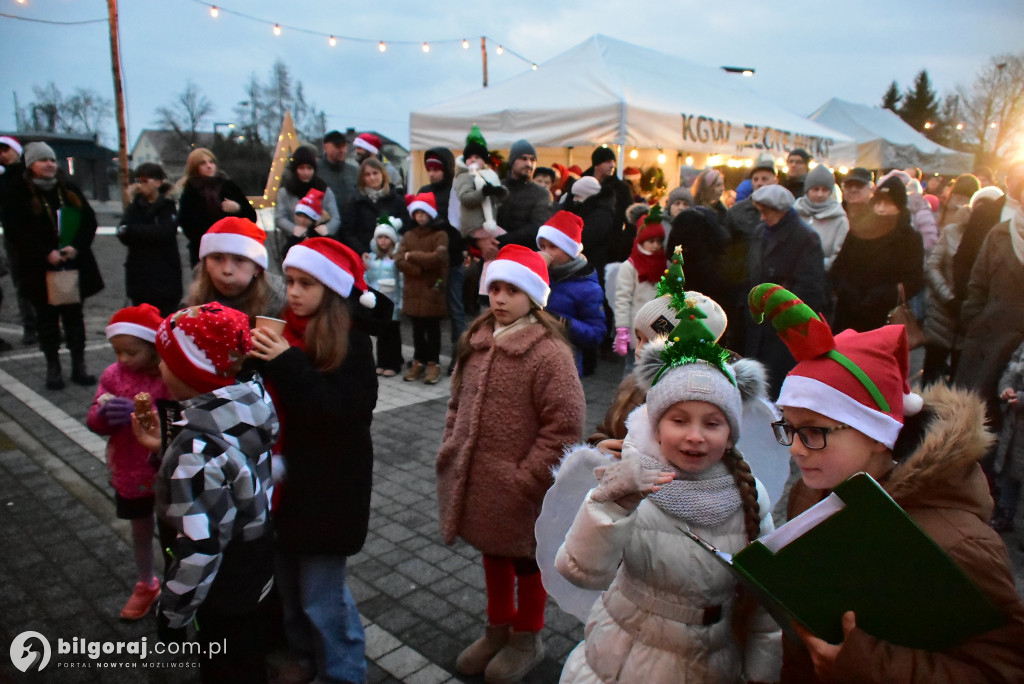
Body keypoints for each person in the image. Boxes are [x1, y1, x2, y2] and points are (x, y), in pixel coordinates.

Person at [748, 285, 1024, 683]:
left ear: (879, 435)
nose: (795, 450)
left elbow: (1003, 670)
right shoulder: (816, 491)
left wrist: (866, 666)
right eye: (787, 429)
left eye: (812, 432)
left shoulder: (960, 543)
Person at [556, 269, 780, 684]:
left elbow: (766, 602)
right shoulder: (636, 479)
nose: (694, 436)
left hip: (709, 662)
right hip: (620, 656)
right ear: (658, 424)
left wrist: (761, 671)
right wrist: (611, 495)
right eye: (678, 420)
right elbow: (580, 568)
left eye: (712, 423)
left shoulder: (749, 495)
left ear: (731, 430)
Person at [437, 245, 585, 682]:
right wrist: (451, 442)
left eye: (513, 290)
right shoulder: (478, 339)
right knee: (493, 555)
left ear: (535, 297)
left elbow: (565, 425)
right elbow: (456, 402)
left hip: (522, 488)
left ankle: (527, 636)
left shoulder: (548, 353)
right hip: (478, 480)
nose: (500, 298)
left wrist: (528, 478)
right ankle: (497, 629)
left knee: (526, 561)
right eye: (495, 288)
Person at [249, 238, 380, 684]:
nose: (295, 291)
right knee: (287, 587)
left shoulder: (351, 341)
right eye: (290, 281)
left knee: (323, 598)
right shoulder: (281, 329)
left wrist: (289, 365)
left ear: (331, 288)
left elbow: (344, 413)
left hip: (328, 493)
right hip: (284, 488)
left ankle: (343, 673)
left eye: (306, 283)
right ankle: (304, 659)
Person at [136, 303, 278, 683]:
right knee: (250, 659)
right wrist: (166, 445)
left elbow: (199, 548)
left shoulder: (195, 455)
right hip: (256, 567)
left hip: (222, 593)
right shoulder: (251, 401)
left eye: (166, 359)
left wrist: (172, 614)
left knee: (226, 668)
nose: (159, 368)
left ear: (191, 372)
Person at [86, 304, 169, 620]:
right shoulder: (112, 376)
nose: (122, 359)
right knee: (140, 529)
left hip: (165, 469)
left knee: (175, 530)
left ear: (153, 347)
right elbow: (94, 416)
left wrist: (154, 412)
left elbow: (180, 410)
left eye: (131, 352)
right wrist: (103, 415)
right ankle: (146, 582)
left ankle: (179, 584)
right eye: (117, 351)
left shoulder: (167, 374)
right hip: (130, 470)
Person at [3, 141, 104, 389]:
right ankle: (53, 368)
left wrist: (76, 247)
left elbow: (88, 220)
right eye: (42, 160)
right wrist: (43, 253)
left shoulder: (67, 188)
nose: (48, 164)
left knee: (74, 319)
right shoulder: (19, 192)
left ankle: (79, 366)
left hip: (71, 265)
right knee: (46, 321)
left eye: (51, 160)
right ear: (30, 164)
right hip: (39, 270)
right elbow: (16, 231)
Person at [956, 179, 1024, 442]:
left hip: (1020, 352)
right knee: (979, 424)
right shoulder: (1000, 234)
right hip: (990, 341)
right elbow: (978, 284)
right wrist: (974, 321)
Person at [744, 184, 826, 398]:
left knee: (777, 387)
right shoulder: (760, 232)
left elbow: (811, 288)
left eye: (766, 212)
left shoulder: (805, 238)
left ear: (781, 211)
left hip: (783, 330)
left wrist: (779, 308)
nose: (762, 218)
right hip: (758, 325)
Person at [922, 187, 1003, 385]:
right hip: (942, 316)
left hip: (971, 323)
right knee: (931, 376)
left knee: (960, 382)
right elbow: (932, 266)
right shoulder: (951, 232)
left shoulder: (997, 241)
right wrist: (948, 298)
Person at [830, 175, 924, 335]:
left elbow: (914, 279)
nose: (881, 208)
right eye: (878, 202)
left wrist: (884, 295)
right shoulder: (858, 230)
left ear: (899, 207)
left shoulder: (909, 238)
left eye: (888, 203)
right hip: (848, 314)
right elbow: (839, 267)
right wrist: (846, 291)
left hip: (884, 317)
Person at [537, 210, 607, 377]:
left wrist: (566, 324)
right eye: (543, 247)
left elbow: (596, 332)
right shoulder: (542, 274)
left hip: (564, 362)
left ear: (570, 251)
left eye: (553, 247)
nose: (546, 252)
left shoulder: (587, 288)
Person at [722, 153, 778, 353]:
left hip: (773, 285)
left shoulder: (785, 211)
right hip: (742, 287)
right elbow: (727, 249)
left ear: (775, 180)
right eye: (756, 179)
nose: (760, 183)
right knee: (740, 341)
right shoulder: (737, 212)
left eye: (765, 178)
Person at [185, 217, 287, 323]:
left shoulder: (283, 308)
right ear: (205, 263)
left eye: (239, 260)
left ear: (257, 267)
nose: (227, 270)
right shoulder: (191, 307)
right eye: (217, 258)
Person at [417, 147, 464, 375]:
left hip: (452, 261)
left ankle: (460, 356)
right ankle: (426, 355)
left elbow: (462, 227)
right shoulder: (424, 191)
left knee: (455, 309)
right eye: (429, 169)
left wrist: (444, 226)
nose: (433, 174)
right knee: (426, 309)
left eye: (437, 169)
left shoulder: (456, 192)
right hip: (429, 263)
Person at [397, 192, 448, 385]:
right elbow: (399, 259)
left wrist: (413, 256)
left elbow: (439, 258)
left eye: (424, 212)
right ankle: (419, 361)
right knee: (417, 329)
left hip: (432, 290)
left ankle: (433, 363)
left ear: (431, 214)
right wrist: (420, 270)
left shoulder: (440, 235)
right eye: (417, 213)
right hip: (413, 289)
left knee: (432, 329)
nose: (420, 216)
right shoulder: (408, 235)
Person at [117, 163, 181, 316]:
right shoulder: (135, 206)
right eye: (138, 181)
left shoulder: (168, 205)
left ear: (158, 182)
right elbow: (121, 231)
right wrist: (144, 232)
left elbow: (166, 232)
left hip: (165, 277)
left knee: (165, 322)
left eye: (145, 181)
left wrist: (135, 231)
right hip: (138, 276)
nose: (140, 185)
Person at [177, 147, 257, 267]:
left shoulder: (228, 186)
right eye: (203, 163)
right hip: (204, 251)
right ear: (195, 167)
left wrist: (238, 209)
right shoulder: (190, 191)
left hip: (234, 248)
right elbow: (187, 224)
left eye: (211, 162)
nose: (209, 166)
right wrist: (211, 239)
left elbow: (251, 217)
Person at [613, 209, 666, 365]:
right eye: (651, 241)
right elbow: (622, 299)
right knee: (633, 371)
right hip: (637, 329)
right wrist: (622, 329)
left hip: (659, 329)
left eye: (659, 241)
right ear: (641, 241)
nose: (656, 246)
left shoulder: (666, 265)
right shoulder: (630, 266)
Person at [273, 145, 340, 264]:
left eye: (309, 168)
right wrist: (294, 229)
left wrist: (327, 228)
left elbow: (335, 217)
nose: (306, 172)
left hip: (320, 244)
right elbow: (279, 218)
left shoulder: (324, 189)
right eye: (301, 168)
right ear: (295, 169)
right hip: (293, 243)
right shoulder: (285, 192)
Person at [339, 157, 409, 259]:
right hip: (364, 257)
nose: (372, 177)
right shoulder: (355, 201)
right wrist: (361, 251)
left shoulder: (396, 200)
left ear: (383, 174)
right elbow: (347, 232)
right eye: (367, 175)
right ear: (362, 178)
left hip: (392, 256)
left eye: (375, 173)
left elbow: (406, 227)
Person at [0, 134, 31, 347]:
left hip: (36, 236)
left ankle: (49, 325)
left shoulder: (28, 174)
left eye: (5, 149)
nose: (2, 155)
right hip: (14, 238)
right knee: (21, 284)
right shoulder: (3, 179)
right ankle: (30, 326)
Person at [496, 139, 553, 251]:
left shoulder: (541, 194)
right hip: (494, 255)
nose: (528, 164)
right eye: (523, 158)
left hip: (524, 256)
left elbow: (537, 227)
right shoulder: (497, 187)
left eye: (533, 160)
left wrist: (502, 241)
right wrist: (484, 242)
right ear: (513, 161)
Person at [364, 216, 403, 377]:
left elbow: (402, 280)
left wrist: (402, 301)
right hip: (378, 301)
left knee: (393, 333)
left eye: (386, 237)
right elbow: (366, 277)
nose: (383, 241)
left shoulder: (396, 258)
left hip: (392, 300)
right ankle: (381, 362)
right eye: (380, 237)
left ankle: (394, 363)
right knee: (381, 333)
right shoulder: (371, 258)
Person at [992, 337, 1024, 533]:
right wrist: (1006, 389)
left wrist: (1020, 398)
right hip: (1014, 426)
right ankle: (1006, 512)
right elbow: (1010, 369)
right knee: (1010, 470)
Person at [794, 164, 848, 271]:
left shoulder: (839, 219)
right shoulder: (794, 213)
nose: (820, 194)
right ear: (807, 190)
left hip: (822, 277)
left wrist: (815, 266)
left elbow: (839, 254)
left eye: (824, 190)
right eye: (815, 189)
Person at [319, 130, 358, 212]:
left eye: (344, 146)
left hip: (351, 221)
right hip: (325, 222)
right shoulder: (316, 171)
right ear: (325, 147)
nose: (342, 150)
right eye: (337, 146)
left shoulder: (354, 172)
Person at [840, 166, 875, 236]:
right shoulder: (837, 213)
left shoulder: (877, 216)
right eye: (849, 185)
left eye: (859, 185)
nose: (853, 190)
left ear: (871, 189)